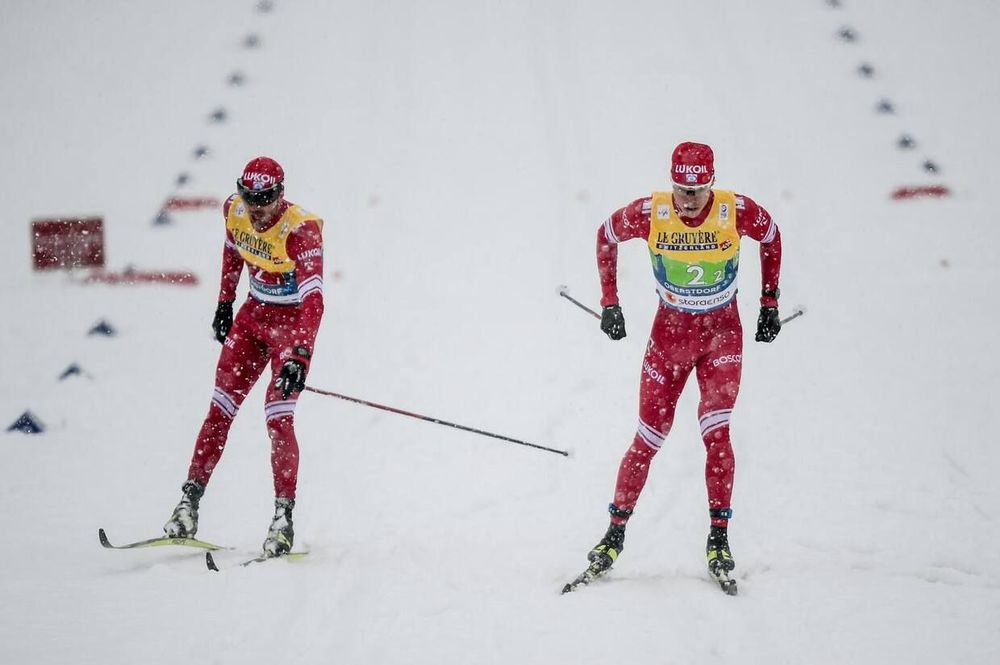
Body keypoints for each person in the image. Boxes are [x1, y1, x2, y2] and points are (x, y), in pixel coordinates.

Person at [585, 141, 782, 588]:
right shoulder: (651, 212)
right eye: (680, 190)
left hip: (721, 339)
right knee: (647, 438)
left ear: (711, 182)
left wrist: (769, 302)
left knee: (717, 433)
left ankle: (719, 538)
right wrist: (609, 303)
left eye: (696, 191)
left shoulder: (735, 210)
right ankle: (613, 536)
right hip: (668, 341)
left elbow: (771, 236)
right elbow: (605, 235)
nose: (688, 201)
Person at [163, 156, 325, 557]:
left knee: (277, 417)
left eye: (264, 199)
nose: (255, 207)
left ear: (280, 195)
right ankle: (188, 504)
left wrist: (299, 356)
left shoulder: (301, 231)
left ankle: (282, 519)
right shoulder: (234, 211)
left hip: (290, 327)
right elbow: (232, 252)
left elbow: (314, 302)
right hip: (253, 320)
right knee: (219, 411)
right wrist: (224, 302)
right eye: (249, 196)